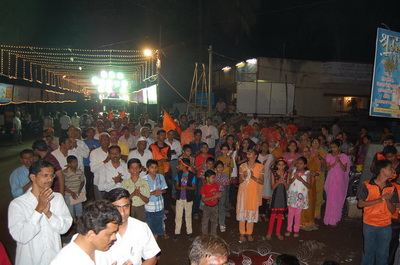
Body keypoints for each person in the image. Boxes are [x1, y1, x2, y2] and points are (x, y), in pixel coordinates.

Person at [8, 160, 72, 265]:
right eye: (45, 175)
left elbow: (64, 228)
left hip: (53, 259)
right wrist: (38, 210)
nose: (50, 179)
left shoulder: (57, 198)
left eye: (52, 176)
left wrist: (49, 214)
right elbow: (21, 237)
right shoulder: (18, 204)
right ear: (33, 177)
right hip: (31, 260)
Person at [97, 188, 160, 265]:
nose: (122, 212)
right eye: (117, 207)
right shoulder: (99, 230)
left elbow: (152, 257)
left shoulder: (141, 227)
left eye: (126, 206)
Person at [50, 201, 121, 265]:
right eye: (110, 234)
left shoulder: (103, 250)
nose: (114, 237)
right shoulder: (63, 261)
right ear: (91, 235)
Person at [357, 160, 398, 265]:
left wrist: (387, 199)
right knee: (368, 253)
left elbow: (393, 210)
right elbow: (360, 204)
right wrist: (381, 199)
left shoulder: (392, 188)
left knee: (383, 255)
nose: (393, 171)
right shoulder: (366, 185)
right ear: (382, 170)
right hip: (369, 224)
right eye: (390, 168)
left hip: (385, 225)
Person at [237, 148, 264, 242]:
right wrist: (244, 176)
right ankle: (242, 233)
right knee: (242, 212)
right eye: (248, 152)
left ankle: (249, 233)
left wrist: (252, 176)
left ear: (256, 156)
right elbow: (240, 181)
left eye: (251, 152)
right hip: (243, 193)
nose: (249, 153)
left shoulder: (260, 166)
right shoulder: (242, 166)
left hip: (253, 193)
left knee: (251, 212)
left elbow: (261, 181)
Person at [324, 139, 350, 226]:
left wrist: (339, 161)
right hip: (331, 181)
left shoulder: (344, 157)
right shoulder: (328, 156)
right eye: (331, 147)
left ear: (339, 148)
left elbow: (344, 169)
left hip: (340, 181)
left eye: (335, 147)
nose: (333, 149)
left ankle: (336, 218)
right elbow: (327, 169)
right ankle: (329, 218)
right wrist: (334, 163)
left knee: (338, 199)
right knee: (331, 199)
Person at [285, 157, 311, 238]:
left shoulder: (307, 173)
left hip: (300, 197)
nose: (298, 165)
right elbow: (289, 182)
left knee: (298, 214)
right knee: (290, 213)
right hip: (292, 195)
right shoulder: (293, 171)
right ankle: (289, 229)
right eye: (298, 163)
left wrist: (301, 180)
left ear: (305, 165)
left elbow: (309, 185)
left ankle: (296, 230)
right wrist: (294, 178)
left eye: (301, 163)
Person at [144, 159, 168, 240]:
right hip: (149, 208)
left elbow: (165, 189)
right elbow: (142, 193)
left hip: (159, 206)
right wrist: (152, 193)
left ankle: (154, 244)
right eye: (151, 167)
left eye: (155, 167)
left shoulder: (160, 177)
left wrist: (160, 191)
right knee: (149, 227)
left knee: (157, 228)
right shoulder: (144, 179)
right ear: (147, 169)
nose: (154, 169)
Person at [266, 158, 289, 241]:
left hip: (282, 196)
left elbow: (287, 187)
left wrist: (284, 180)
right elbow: (272, 187)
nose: (281, 166)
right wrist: (279, 180)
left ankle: (278, 232)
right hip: (275, 195)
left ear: (285, 166)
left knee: (280, 215)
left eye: (282, 165)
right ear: (276, 165)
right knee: (273, 215)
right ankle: (269, 232)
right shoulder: (273, 173)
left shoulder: (287, 173)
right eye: (279, 164)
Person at [174, 158, 196, 241]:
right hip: (180, 198)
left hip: (188, 199)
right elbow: (176, 186)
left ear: (184, 166)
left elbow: (193, 188)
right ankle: (177, 232)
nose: (177, 166)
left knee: (188, 216)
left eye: (179, 164)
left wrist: (186, 187)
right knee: (178, 216)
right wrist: (180, 188)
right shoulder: (178, 174)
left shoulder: (192, 175)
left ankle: (189, 232)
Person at [194, 144, 214, 219]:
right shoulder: (198, 157)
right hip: (201, 177)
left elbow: (213, 166)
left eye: (206, 147)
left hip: (210, 178)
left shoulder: (211, 156)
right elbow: (196, 168)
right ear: (201, 148)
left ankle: (206, 210)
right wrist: (203, 164)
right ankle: (196, 211)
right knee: (199, 194)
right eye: (203, 147)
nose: (205, 149)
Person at [63, 155, 86, 221]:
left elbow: (82, 181)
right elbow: (62, 185)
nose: (76, 164)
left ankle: (79, 223)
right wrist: (71, 192)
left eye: (76, 162)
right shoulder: (65, 173)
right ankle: (72, 224)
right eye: (74, 162)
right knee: (71, 210)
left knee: (79, 210)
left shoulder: (79, 172)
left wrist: (79, 190)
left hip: (77, 193)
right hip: (69, 194)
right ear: (69, 164)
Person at [310, 138, 328, 219]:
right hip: (310, 175)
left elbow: (327, 164)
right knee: (309, 193)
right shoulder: (309, 151)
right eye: (314, 142)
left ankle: (317, 212)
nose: (315, 143)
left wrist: (320, 157)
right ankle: (309, 211)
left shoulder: (323, 152)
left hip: (320, 175)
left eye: (317, 142)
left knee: (318, 193)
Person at [90, 132, 110, 200]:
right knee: (100, 205)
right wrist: (105, 161)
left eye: (107, 139)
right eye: (104, 140)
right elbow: (92, 169)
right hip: (99, 182)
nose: (106, 141)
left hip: (111, 183)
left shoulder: (113, 151)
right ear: (99, 142)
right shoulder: (94, 153)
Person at [257, 141, 274, 221]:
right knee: (259, 196)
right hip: (259, 177)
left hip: (267, 178)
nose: (265, 148)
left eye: (266, 146)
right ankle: (258, 213)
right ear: (260, 147)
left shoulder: (270, 156)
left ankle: (264, 213)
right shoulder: (258, 156)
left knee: (265, 197)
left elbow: (273, 166)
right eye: (263, 146)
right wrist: (262, 165)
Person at [201, 170, 221, 235]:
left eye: (214, 178)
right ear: (207, 178)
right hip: (207, 207)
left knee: (214, 222)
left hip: (215, 206)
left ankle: (213, 236)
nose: (214, 179)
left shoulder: (215, 185)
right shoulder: (204, 187)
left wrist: (218, 195)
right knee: (205, 223)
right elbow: (203, 199)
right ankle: (205, 236)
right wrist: (213, 197)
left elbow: (217, 194)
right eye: (212, 178)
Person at [83, 127, 100, 201]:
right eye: (89, 132)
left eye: (92, 132)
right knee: (86, 181)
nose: (91, 134)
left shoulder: (97, 142)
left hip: (96, 164)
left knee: (95, 181)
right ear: (86, 133)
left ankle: (93, 196)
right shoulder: (83, 142)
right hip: (86, 164)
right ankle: (86, 197)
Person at [166, 129, 182, 199]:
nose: (171, 136)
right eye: (170, 134)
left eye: (172, 134)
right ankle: (166, 194)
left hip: (174, 160)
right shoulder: (164, 142)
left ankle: (174, 193)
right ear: (167, 135)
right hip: (166, 161)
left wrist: (175, 153)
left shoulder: (177, 142)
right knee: (165, 178)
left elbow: (180, 151)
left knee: (174, 178)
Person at [214, 161, 230, 233]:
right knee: (214, 207)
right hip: (214, 193)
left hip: (222, 192)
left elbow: (227, 186)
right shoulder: (213, 176)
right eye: (218, 167)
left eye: (221, 167)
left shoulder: (225, 176)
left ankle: (222, 223)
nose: (220, 168)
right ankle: (214, 222)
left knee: (221, 207)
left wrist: (224, 185)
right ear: (215, 168)